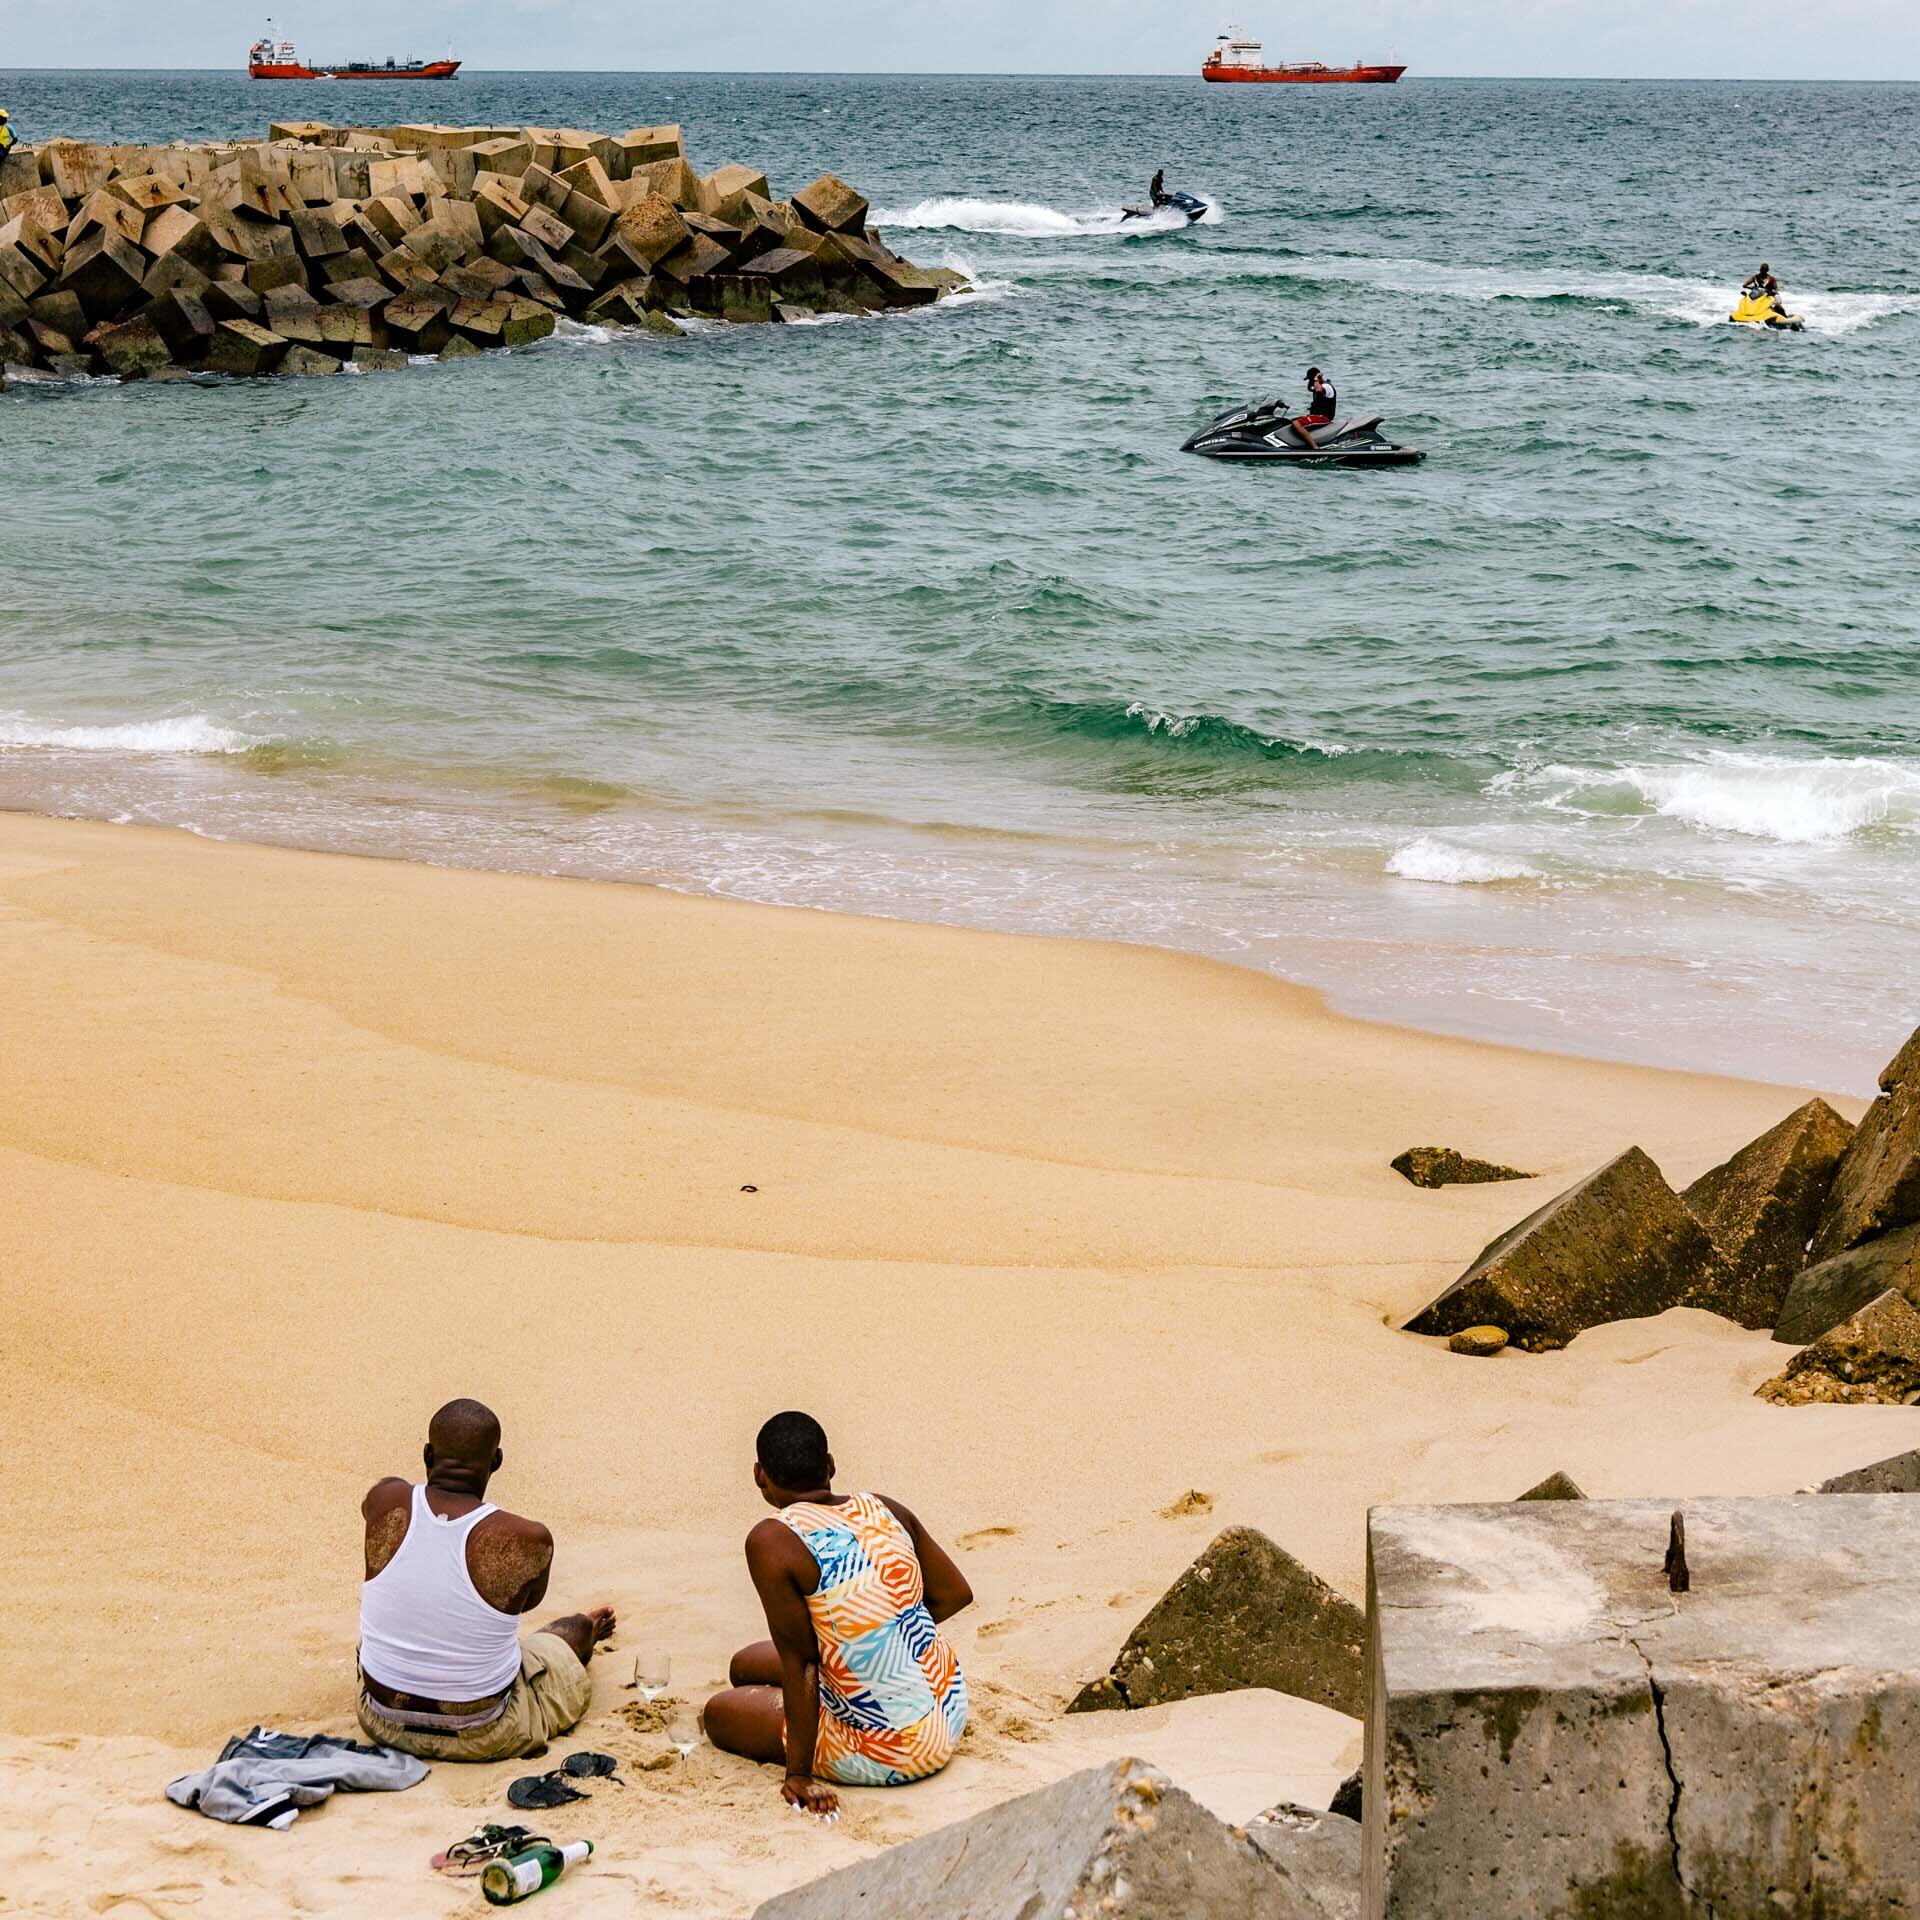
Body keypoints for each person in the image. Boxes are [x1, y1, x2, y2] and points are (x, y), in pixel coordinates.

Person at [704, 1411, 972, 1819]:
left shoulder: (772, 1539)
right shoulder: (883, 1507)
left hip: (896, 1749)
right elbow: (956, 1594)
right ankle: (868, 1682)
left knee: (718, 1714)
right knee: (743, 1666)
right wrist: (882, 1641)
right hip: (948, 1707)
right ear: (830, 1465)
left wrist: (798, 1773)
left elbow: (802, 1663)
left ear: (760, 1476)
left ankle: (838, 1731)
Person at [356, 1398, 616, 1762]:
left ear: (428, 1455)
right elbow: (529, 1600)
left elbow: (373, 1504)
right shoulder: (527, 1538)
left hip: (380, 1721)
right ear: (496, 1461)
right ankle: (584, 1629)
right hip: (484, 1733)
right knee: (562, 1638)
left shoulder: (386, 1499)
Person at [1293, 366, 1338, 447]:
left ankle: (1315, 447)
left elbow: (1318, 390)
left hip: (1324, 417)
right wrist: (1313, 380)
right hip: (1317, 416)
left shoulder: (1327, 386)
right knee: (1293, 420)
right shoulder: (1319, 385)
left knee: (1297, 423)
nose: (1311, 381)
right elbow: (1310, 388)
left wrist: (1316, 378)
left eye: (1311, 379)